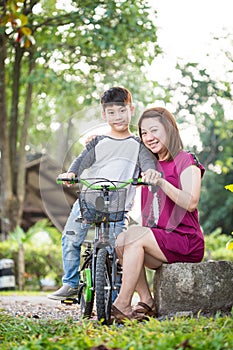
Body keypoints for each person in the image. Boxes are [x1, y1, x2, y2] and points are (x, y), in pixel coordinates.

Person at [48, 87, 156, 300]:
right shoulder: (98, 142)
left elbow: (147, 163)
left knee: (117, 251)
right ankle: (70, 283)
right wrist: (72, 173)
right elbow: (81, 161)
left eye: (122, 110)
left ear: (131, 110)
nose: (117, 116)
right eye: (111, 112)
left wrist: (150, 171)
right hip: (89, 200)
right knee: (70, 238)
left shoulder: (138, 145)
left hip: (118, 206)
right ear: (104, 115)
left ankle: (114, 300)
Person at [111, 106, 205, 322]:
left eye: (154, 130)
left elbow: (190, 202)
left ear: (170, 129)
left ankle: (122, 304)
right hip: (160, 242)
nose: (149, 137)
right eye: (144, 133)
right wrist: (96, 143)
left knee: (133, 236)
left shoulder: (185, 159)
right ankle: (147, 300)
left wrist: (161, 181)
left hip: (186, 241)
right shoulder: (148, 164)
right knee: (121, 241)